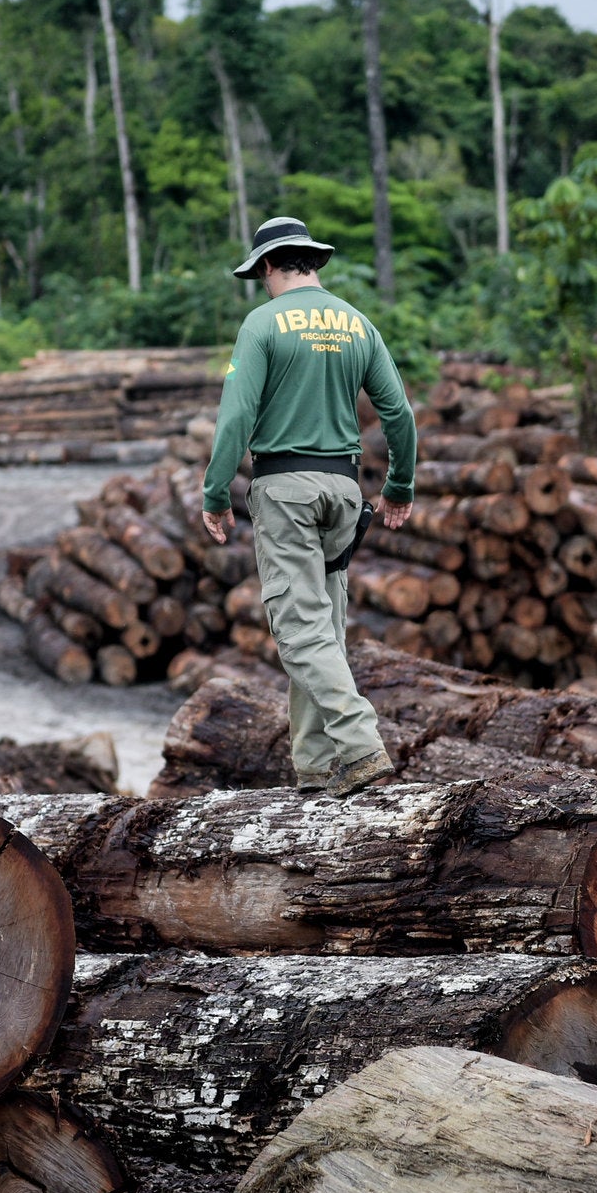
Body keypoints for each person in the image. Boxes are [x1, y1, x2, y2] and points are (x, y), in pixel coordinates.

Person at [203, 216, 417, 796]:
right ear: (313, 262)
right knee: (321, 628)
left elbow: (236, 417)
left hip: (285, 490)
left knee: (298, 629)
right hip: (343, 492)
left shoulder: (262, 324)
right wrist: (399, 486)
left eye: (261, 274)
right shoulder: (357, 323)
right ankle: (316, 768)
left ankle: (361, 743)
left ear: (270, 265)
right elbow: (397, 413)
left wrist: (216, 492)